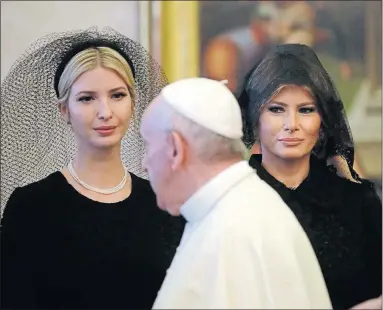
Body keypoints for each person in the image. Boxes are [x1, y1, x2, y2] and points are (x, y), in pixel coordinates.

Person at [0, 27, 184, 309]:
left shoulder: (164, 205)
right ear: (64, 110)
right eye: (87, 98)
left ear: (133, 104)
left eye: (117, 95)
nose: (105, 112)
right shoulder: (32, 207)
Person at [140, 77, 332, 309]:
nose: (144, 163)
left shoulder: (231, 230)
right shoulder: (244, 207)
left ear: (175, 149)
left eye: (148, 146)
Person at [238, 43, 382, 310]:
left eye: (306, 110)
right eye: (276, 109)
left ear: (323, 119)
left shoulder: (359, 203)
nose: (291, 124)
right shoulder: (231, 201)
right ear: (254, 116)